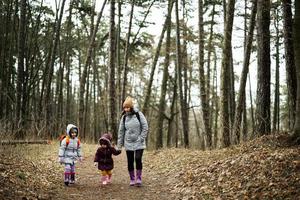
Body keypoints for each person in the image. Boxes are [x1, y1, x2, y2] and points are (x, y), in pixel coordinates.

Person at [117, 96, 149, 186]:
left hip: (139, 141)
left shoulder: (139, 114)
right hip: (128, 142)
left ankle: (138, 178)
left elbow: (145, 127)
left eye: (127, 107)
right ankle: (132, 178)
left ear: (131, 107)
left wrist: (141, 138)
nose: (126, 109)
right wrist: (119, 146)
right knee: (130, 161)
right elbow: (121, 132)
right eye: (124, 107)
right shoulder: (123, 118)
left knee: (138, 159)